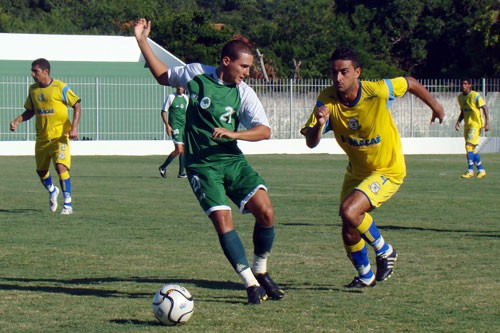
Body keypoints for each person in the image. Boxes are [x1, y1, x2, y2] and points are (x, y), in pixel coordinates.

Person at [134, 18, 284, 304]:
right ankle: (250, 284)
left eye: (249, 67)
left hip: (232, 160)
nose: (248, 72)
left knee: (266, 212)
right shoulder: (196, 75)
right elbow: (163, 75)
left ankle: (261, 270)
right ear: (226, 61)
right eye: (244, 66)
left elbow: (264, 130)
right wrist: (142, 41)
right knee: (223, 219)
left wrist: (233, 133)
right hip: (201, 165)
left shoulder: (243, 92)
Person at [301, 47, 444, 289]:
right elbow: (311, 143)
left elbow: (409, 82)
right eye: (334, 72)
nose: (338, 78)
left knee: (349, 211)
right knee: (348, 227)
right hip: (356, 172)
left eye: (344, 72)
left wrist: (436, 106)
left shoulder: (377, 91)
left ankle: (385, 250)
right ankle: (366, 275)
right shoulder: (326, 100)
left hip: (387, 169)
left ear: (357, 72)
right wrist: (320, 124)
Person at [10, 58, 81, 215]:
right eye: (32, 71)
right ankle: (52, 190)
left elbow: (77, 105)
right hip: (42, 138)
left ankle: (67, 205)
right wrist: (17, 120)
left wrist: (74, 127)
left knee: (60, 166)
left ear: (46, 71)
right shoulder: (33, 90)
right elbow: (30, 111)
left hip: (60, 137)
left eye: (35, 71)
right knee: (41, 172)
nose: (32, 74)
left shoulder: (60, 87)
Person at [455, 79, 490, 178]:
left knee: (468, 146)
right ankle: (481, 170)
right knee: (472, 149)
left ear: (470, 85)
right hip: (467, 125)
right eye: (462, 83)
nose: (463, 85)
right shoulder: (460, 97)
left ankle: (470, 170)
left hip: (476, 124)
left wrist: (487, 123)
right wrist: (458, 121)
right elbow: (463, 111)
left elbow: (485, 108)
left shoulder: (475, 95)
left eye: (465, 84)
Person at [159, 86, 189, 179]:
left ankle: (181, 173)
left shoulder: (185, 98)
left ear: (184, 88)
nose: (180, 88)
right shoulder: (171, 97)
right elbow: (163, 112)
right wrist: (167, 126)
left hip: (184, 126)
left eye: (182, 86)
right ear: (176, 87)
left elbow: (187, 112)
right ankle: (162, 167)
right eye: (178, 86)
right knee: (179, 150)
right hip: (175, 127)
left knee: (183, 150)